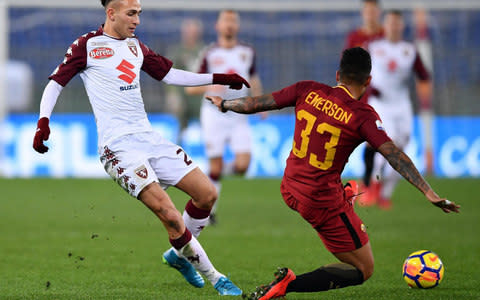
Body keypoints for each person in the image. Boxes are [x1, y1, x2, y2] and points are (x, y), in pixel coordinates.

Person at [32, 0, 251, 296]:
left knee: (207, 194)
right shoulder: (87, 45)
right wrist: (43, 121)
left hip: (148, 138)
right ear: (111, 13)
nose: (137, 20)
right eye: (131, 13)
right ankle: (216, 278)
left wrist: (219, 78)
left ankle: (179, 254)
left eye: (139, 14)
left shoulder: (136, 46)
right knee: (170, 215)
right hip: (118, 148)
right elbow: (56, 83)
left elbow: (171, 75)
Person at [206, 47, 459, 300]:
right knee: (363, 268)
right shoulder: (362, 115)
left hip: (290, 187)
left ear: (338, 74)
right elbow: (393, 155)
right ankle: (287, 285)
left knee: (342, 186)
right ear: (368, 82)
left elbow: (256, 103)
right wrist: (428, 191)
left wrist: (225, 104)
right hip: (320, 201)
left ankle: (344, 195)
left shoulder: (307, 89)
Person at [186, 9, 263, 224]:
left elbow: (254, 78)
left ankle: (211, 173)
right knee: (217, 166)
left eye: (233, 22)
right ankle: (210, 212)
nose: (229, 25)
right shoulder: (209, 54)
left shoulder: (247, 52)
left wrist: (262, 104)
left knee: (242, 166)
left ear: (237, 27)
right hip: (214, 115)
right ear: (217, 26)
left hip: (238, 114)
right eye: (225, 21)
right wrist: (211, 86)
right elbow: (190, 87)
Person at [366, 10, 433, 209]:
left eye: (397, 23)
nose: (394, 27)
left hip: (402, 104)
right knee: (389, 142)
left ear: (402, 26)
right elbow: (359, 73)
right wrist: (367, 89)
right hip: (380, 104)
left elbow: (424, 76)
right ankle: (375, 185)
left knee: (402, 149)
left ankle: (385, 195)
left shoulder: (409, 50)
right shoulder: (373, 47)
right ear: (384, 25)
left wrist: (426, 100)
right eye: (390, 23)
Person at [344, 0, 384, 206]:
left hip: (383, 97)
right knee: (368, 140)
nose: (370, 14)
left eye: (374, 10)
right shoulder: (355, 37)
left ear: (378, 12)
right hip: (360, 95)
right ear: (363, 13)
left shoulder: (385, 36)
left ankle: (371, 187)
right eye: (367, 10)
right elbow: (347, 66)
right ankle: (366, 186)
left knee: (379, 140)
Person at [165, 18, 205, 131]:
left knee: (207, 127)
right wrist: (172, 94)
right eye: (188, 31)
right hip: (182, 96)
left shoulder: (204, 51)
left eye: (193, 31)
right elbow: (168, 74)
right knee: (180, 127)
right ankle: (180, 145)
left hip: (200, 96)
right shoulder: (177, 52)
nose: (190, 34)